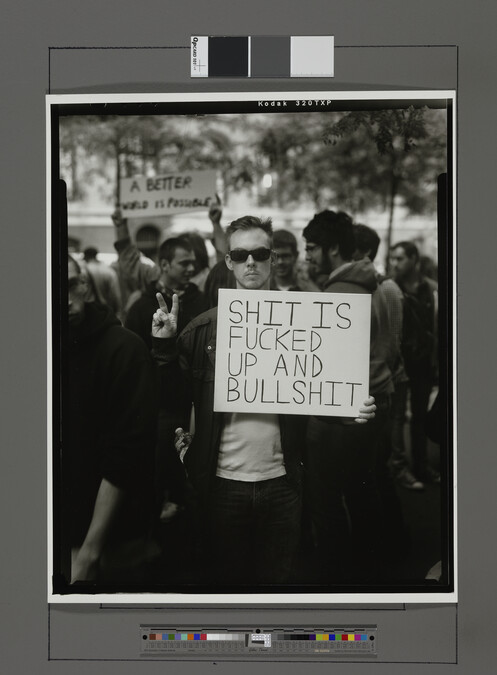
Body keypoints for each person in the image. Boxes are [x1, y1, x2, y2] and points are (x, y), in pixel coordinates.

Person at [151, 215, 376, 586]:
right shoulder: (203, 328)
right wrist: (163, 344)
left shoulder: (305, 319)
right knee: (228, 588)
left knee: (277, 585)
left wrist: (348, 411)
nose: (250, 262)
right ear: (228, 261)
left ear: (273, 257)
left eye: (259, 253)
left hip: (282, 483)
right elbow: (173, 398)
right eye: (240, 254)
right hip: (222, 483)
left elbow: (316, 390)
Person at [302, 210, 397, 581]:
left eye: (312, 248)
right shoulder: (374, 284)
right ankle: (369, 566)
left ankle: (334, 575)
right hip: (376, 399)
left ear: (334, 249)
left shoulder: (340, 294)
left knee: (326, 498)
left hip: (347, 413)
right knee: (362, 487)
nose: (307, 256)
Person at [62, 256, 158, 585]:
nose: (65, 297)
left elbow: (126, 455)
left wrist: (88, 554)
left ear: (85, 287)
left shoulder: (124, 349)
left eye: (72, 285)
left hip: (115, 546)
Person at [125, 237, 208, 523]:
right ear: (163, 264)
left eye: (193, 262)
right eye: (184, 262)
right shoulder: (140, 307)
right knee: (155, 483)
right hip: (158, 411)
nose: (192, 267)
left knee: (193, 489)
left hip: (196, 407)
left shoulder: (202, 301)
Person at [389, 241, 440, 484]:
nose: (394, 264)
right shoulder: (390, 288)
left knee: (420, 417)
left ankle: (421, 466)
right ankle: (400, 468)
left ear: (414, 260)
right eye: (393, 259)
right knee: (398, 418)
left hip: (421, 364)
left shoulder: (431, 290)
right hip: (399, 365)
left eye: (399, 259)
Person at [82, 246, 122, 319]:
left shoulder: (83, 271)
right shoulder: (109, 271)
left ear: (86, 257)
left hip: (89, 312)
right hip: (105, 311)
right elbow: (115, 295)